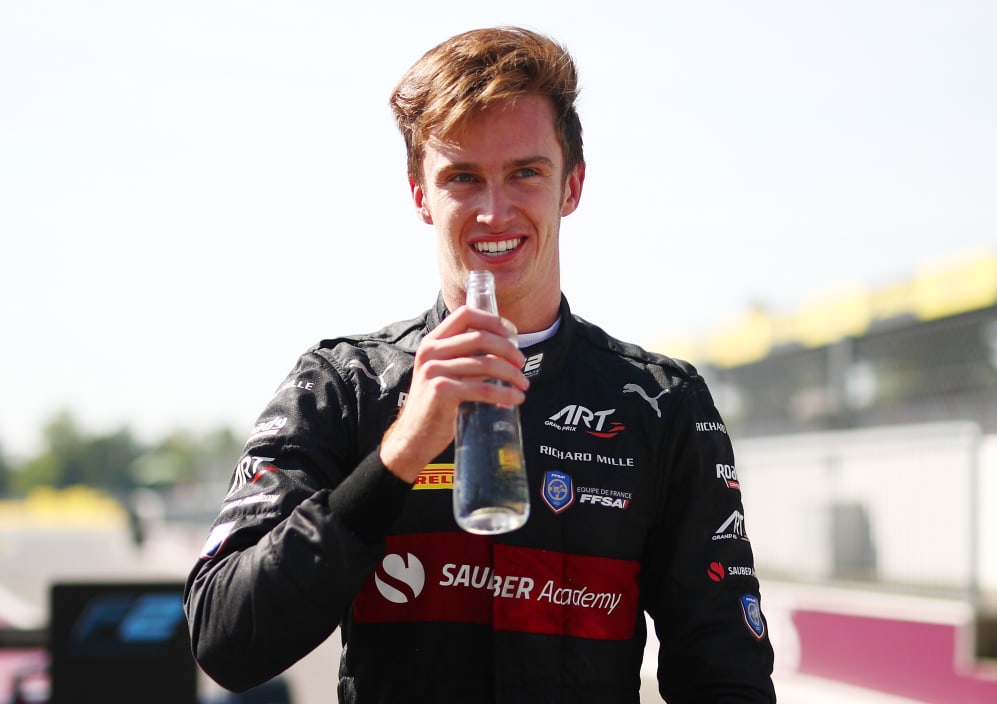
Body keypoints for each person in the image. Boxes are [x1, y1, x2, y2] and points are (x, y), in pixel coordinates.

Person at [184, 26, 776, 703]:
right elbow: (226, 640)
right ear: (419, 196)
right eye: (462, 178)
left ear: (571, 184)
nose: (494, 210)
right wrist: (400, 452)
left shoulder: (659, 402)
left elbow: (725, 674)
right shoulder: (343, 386)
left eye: (525, 172)